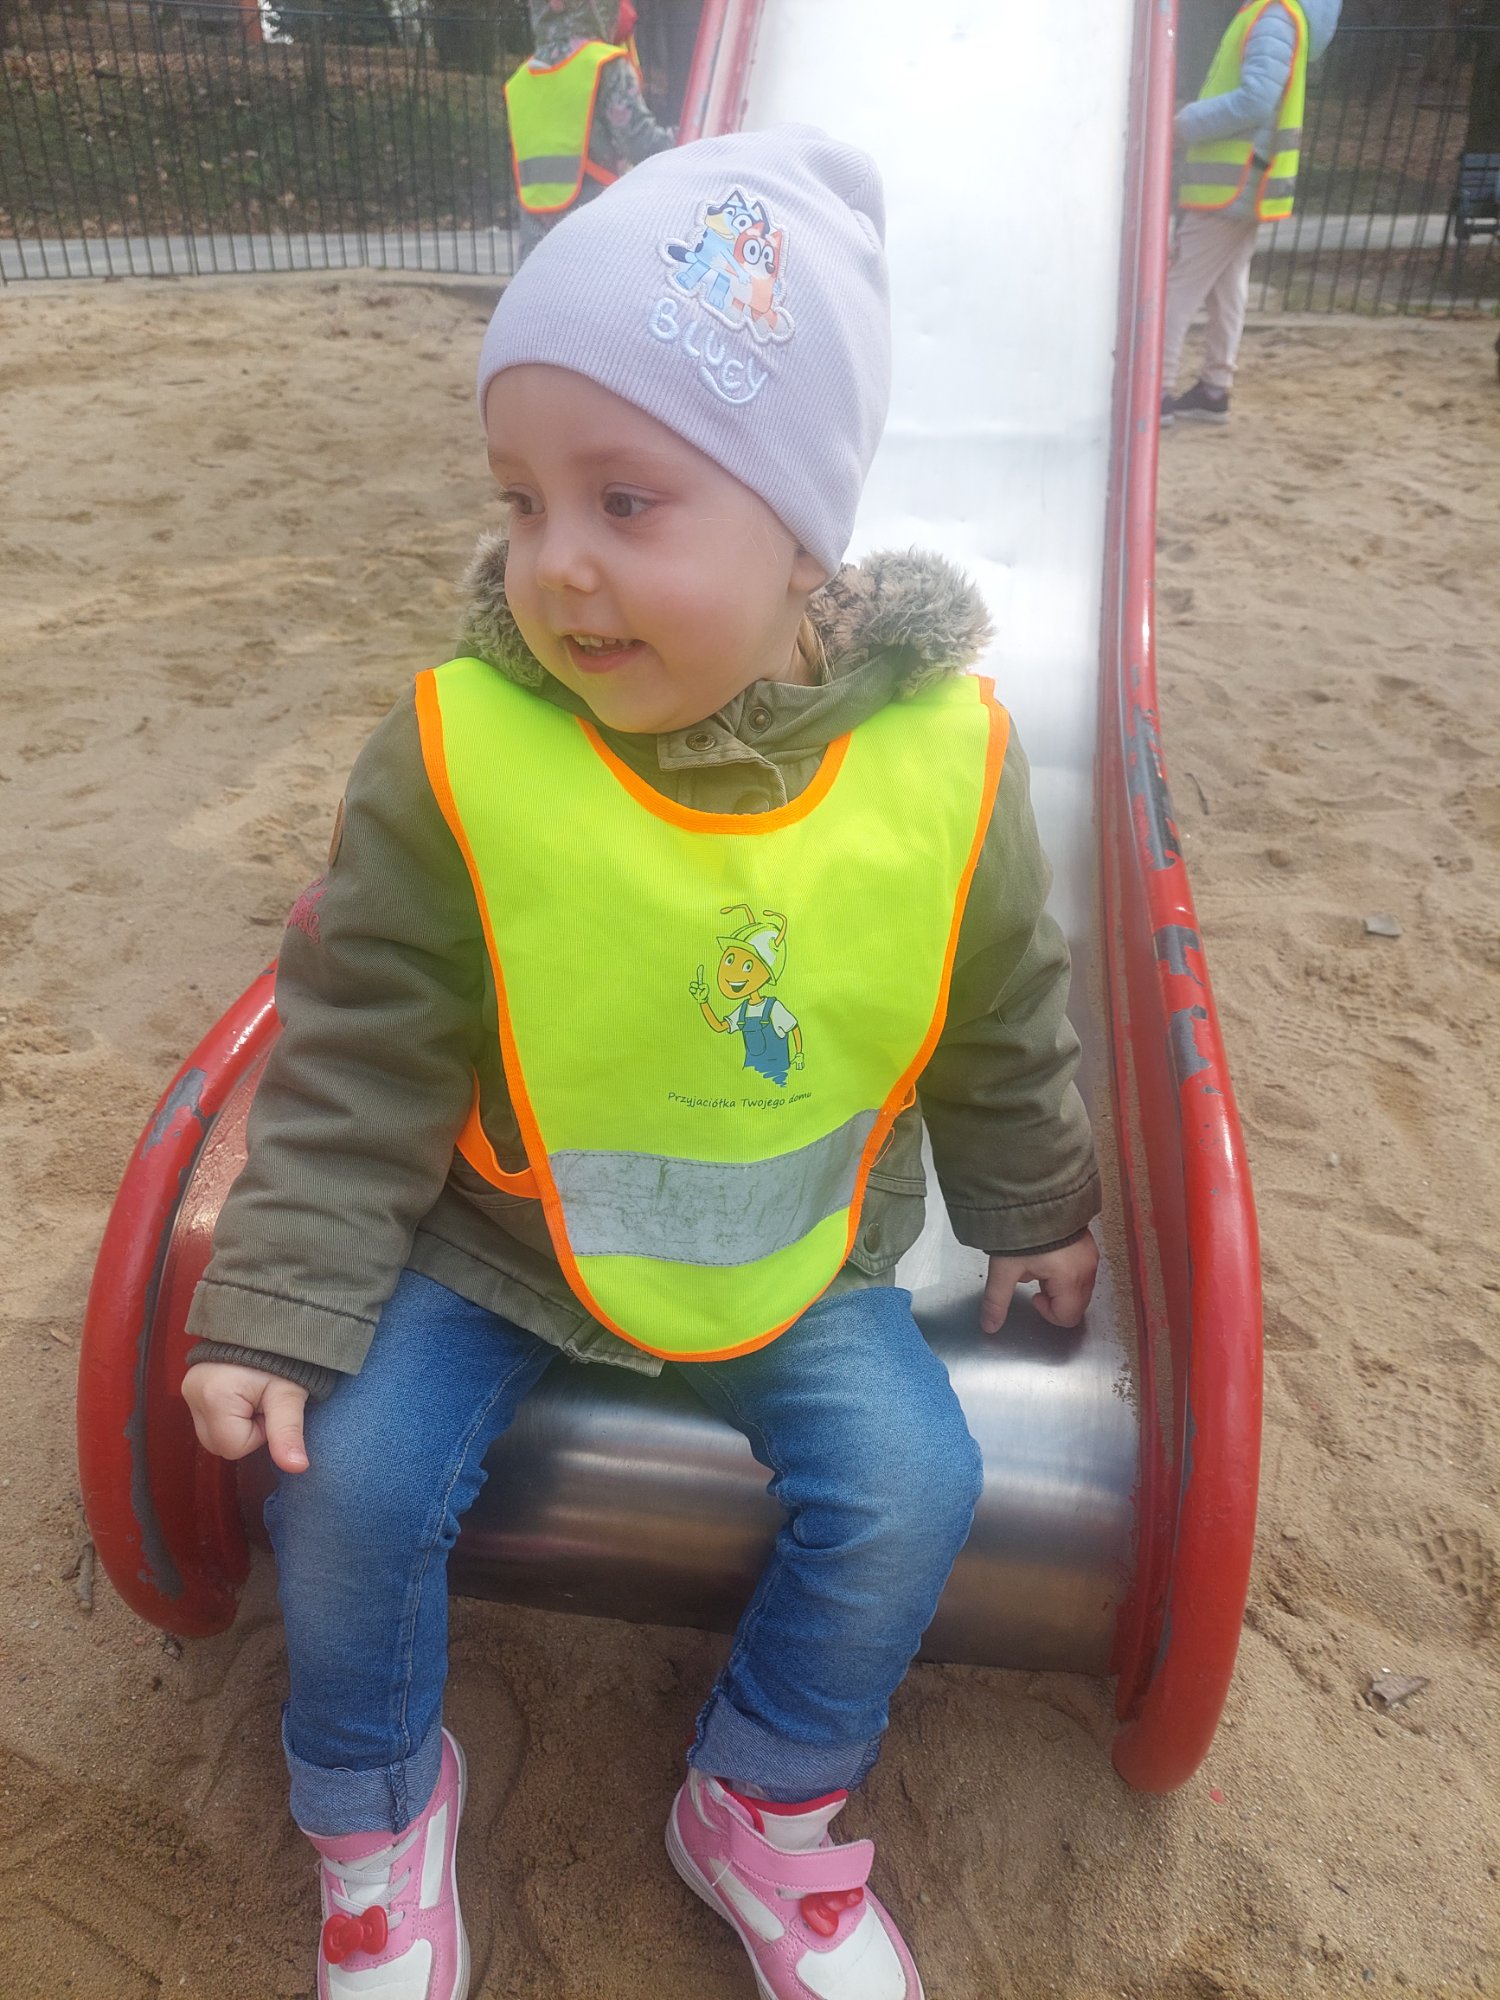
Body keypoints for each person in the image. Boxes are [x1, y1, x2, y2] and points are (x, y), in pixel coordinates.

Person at [180, 127, 1101, 2000]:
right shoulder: (466, 753)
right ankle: (374, 1817)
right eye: (522, 502)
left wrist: (1031, 1203)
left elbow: (999, 1000)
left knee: (912, 1484)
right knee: (345, 1481)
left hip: (797, 1258)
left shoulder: (945, 764)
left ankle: (763, 1801)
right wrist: (278, 1304)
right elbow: (362, 1044)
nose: (561, 568)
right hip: (492, 1239)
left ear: (802, 528)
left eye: (627, 499)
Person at [1162, 0, 1340, 424]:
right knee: (1227, 286)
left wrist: (1182, 124)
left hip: (1231, 183)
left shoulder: (1273, 15)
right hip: (1244, 180)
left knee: (1179, 284)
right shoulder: (1276, 14)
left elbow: (1256, 101)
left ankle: (1156, 389)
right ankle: (1214, 389)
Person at [505, 0, 674, 263]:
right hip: (595, 234)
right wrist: (690, 140)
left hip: (536, 244)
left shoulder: (522, 79)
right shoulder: (603, 64)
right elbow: (640, 142)